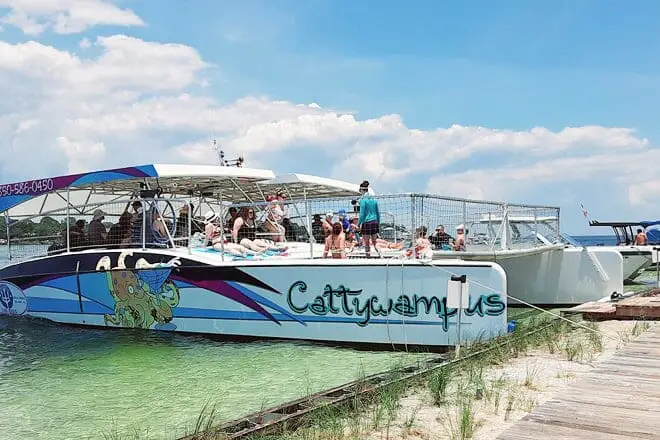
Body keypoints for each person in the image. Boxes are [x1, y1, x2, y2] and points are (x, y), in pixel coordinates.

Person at [357, 180, 380, 257]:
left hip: (366, 223)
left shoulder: (363, 200)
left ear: (361, 190)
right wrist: (378, 223)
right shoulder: (374, 199)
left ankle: (368, 258)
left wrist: (358, 224)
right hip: (375, 222)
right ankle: (381, 255)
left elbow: (362, 214)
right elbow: (378, 213)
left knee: (367, 243)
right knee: (375, 242)